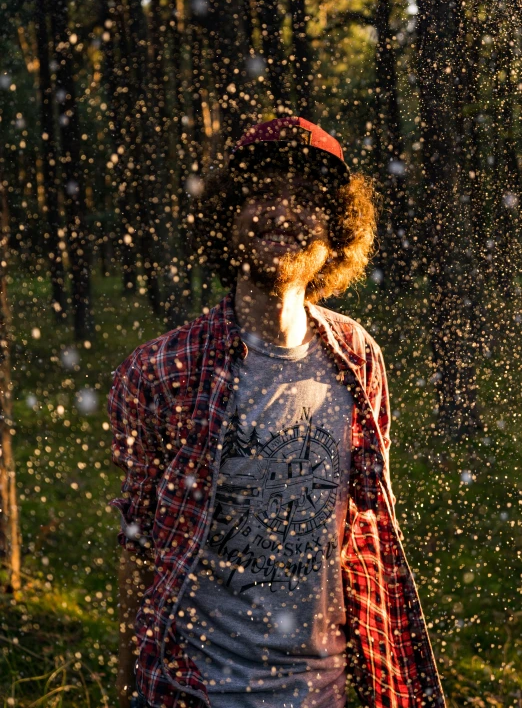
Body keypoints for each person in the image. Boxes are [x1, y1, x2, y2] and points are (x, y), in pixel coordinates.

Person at [108, 117, 446, 708]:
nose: (282, 213)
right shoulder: (161, 369)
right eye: (262, 193)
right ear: (228, 214)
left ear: (336, 226)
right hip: (196, 693)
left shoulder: (359, 360)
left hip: (329, 693)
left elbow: (364, 536)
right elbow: (138, 551)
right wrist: (128, 684)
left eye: (306, 199)